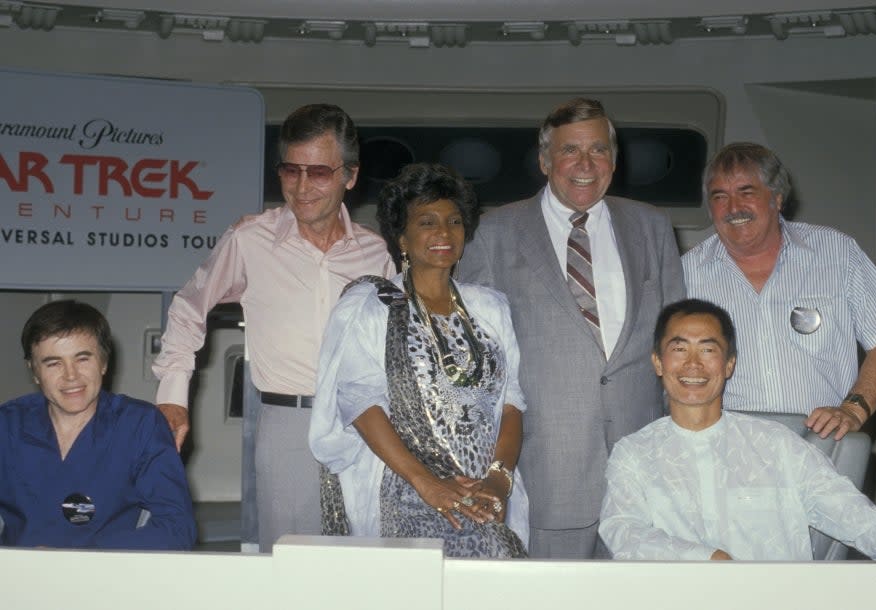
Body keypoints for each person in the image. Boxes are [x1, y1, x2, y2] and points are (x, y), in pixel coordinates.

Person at [152, 103, 395, 552]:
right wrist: (173, 397)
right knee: (290, 566)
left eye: (319, 172)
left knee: (364, 561)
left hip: (364, 425)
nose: (302, 188)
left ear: (351, 175)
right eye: (290, 171)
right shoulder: (250, 239)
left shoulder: (375, 253)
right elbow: (189, 307)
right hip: (289, 427)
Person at [458, 98, 685, 558]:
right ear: (544, 161)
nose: (585, 164)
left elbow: (675, 346)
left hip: (643, 472)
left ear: (614, 161)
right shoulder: (493, 233)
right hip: (545, 472)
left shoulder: (653, 227)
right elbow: (475, 368)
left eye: (598, 150)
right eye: (569, 151)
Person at [599, 298, 876, 562]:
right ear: (658, 362)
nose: (693, 364)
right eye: (679, 349)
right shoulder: (633, 454)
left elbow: (853, 515)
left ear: (729, 364)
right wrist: (706, 558)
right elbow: (623, 531)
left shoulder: (778, 445)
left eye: (708, 349)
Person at [310, 163, 528, 558]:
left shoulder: (491, 307)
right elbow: (360, 403)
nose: (444, 233)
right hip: (406, 490)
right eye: (427, 222)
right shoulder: (372, 307)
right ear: (402, 238)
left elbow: (512, 403)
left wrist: (498, 480)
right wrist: (426, 483)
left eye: (454, 221)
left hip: (485, 488)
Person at [682, 142, 876, 440]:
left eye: (747, 192)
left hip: (820, 448)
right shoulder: (685, 274)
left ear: (777, 199)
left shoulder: (836, 253)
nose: (733, 208)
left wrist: (853, 410)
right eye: (720, 197)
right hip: (724, 453)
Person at [0, 300, 195, 550]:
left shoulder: (140, 426)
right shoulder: (7, 426)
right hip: (19, 579)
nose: (71, 376)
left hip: (106, 575)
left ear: (103, 362)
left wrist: (79, 557)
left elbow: (177, 529)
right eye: (53, 363)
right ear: (34, 371)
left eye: (82, 359)